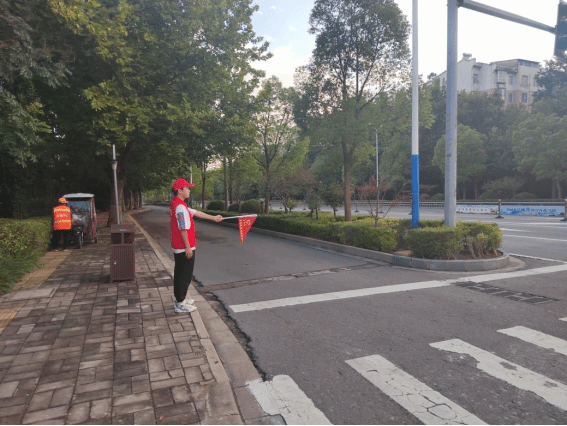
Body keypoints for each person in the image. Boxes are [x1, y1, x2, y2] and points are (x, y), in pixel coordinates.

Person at [170, 178, 223, 313]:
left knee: (182, 273)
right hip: (183, 247)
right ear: (179, 190)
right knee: (184, 275)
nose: (189, 190)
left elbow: (196, 213)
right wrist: (188, 247)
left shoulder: (179, 204)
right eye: (187, 188)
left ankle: (180, 299)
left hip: (181, 246)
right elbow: (183, 228)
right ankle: (180, 303)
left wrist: (214, 218)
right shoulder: (180, 207)